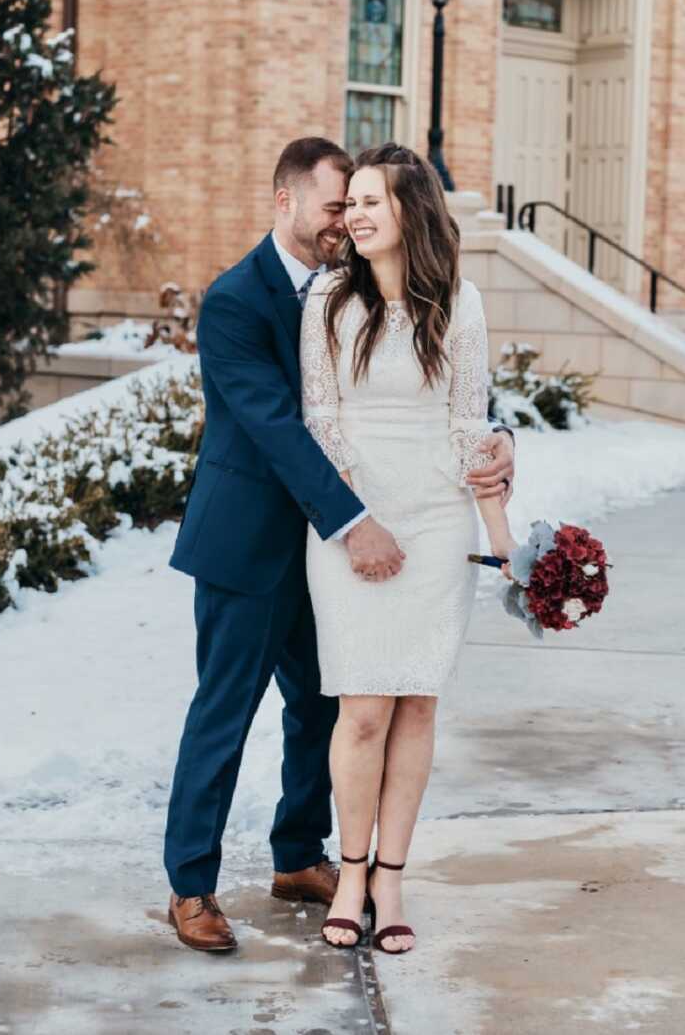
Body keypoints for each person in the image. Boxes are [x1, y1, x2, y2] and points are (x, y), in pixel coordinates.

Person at [163, 137, 516, 952]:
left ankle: (298, 856)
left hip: (340, 547)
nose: (342, 224)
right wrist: (355, 523)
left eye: (354, 207)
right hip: (255, 543)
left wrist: (497, 440)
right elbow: (283, 429)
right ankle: (191, 884)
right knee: (225, 712)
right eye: (332, 209)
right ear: (285, 202)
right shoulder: (235, 301)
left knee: (323, 711)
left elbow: (443, 394)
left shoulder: (357, 286)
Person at [301, 143, 519, 955]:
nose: (353, 215)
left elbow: (470, 424)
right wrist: (358, 523)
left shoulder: (458, 304)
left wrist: (504, 545)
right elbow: (320, 423)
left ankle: (391, 875)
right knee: (362, 711)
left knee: (418, 704)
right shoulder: (327, 299)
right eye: (349, 201)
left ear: (410, 212)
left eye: (370, 201)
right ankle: (350, 871)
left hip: (435, 523)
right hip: (352, 520)